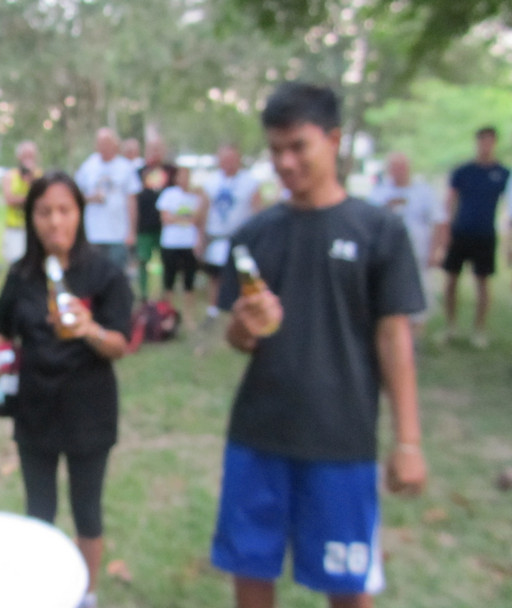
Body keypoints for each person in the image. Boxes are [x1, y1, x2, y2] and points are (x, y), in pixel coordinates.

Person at [211, 82, 427, 608]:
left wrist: (408, 442)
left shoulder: (379, 231)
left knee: (347, 585)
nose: (285, 162)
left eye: (298, 146)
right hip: (258, 434)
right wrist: (244, 325)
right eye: (276, 150)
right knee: (250, 569)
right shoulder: (253, 236)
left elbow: (394, 336)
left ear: (332, 140)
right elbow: (238, 338)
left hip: (340, 440)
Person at [0, 172, 133, 608]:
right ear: (31, 218)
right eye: (44, 212)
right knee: (38, 511)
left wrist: (89, 328)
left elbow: (120, 345)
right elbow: (2, 329)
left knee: (87, 511)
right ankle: (41, 592)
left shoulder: (104, 273)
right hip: (35, 405)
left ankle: (87, 594)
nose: (55, 221)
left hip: (89, 408)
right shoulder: (21, 274)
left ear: (80, 214)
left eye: (65, 210)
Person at [439, 126, 510, 348]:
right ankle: (450, 326)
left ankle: (479, 330)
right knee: (451, 280)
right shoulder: (464, 171)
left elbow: (508, 206)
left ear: (494, 143)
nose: (485, 145)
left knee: (483, 282)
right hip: (461, 232)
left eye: (490, 141)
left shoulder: (503, 174)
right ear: (477, 143)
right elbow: (450, 200)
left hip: (485, 234)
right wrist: (446, 230)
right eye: (482, 141)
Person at [369, 152, 448, 342]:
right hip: (386, 256)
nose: (398, 171)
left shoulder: (424, 191)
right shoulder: (379, 192)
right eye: (394, 167)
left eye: (401, 167)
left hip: (419, 254)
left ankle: (415, 341)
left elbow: (439, 222)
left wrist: (437, 250)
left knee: (420, 298)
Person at [196, 143, 262, 325]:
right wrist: (200, 238)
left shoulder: (250, 182)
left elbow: (258, 211)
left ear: (238, 159)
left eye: (231, 159)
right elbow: (202, 211)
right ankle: (213, 310)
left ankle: (244, 311)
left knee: (245, 276)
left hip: (242, 239)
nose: (227, 163)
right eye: (224, 159)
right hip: (217, 237)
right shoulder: (211, 183)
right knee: (215, 276)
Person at [74, 128, 141, 271]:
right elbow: (75, 195)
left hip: (118, 235)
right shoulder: (88, 165)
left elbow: (132, 201)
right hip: (93, 234)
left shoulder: (125, 167)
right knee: (94, 273)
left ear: (115, 144)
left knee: (116, 273)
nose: (104, 146)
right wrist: (91, 198)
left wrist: (131, 231)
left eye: (107, 142)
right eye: (100, 143)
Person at [156, 165, 200, 329]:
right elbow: (165, 218)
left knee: (189, 282)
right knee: (169, 280)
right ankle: (168, 316)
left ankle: (188, 317)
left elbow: (197, 219)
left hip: (189, 244)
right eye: (181, 176)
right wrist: (185, 219)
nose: (184, 180)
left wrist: (177, 218)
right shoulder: (168, 194)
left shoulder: (196, 196)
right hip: (170, 243)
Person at [135, 137, 169, 302]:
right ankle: (144, 295)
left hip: (166, 228)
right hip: (144, 226)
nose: (155, 154)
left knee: (166, 262)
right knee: (143, 261)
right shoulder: (137, 172)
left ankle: (164, 295)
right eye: (151, 150)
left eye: (158, 149)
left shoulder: (171, 172)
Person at [0, 141, 41, 264]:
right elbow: (9, 199)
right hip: (15, 228)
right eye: (25, 154)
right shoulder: (10, 176)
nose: (28, 158)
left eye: (31, 155)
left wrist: (32, 180)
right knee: (15, 263)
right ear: (19, 156)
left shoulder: (39, 175)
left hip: (35, 228)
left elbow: (42, 200)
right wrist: (31, 198)